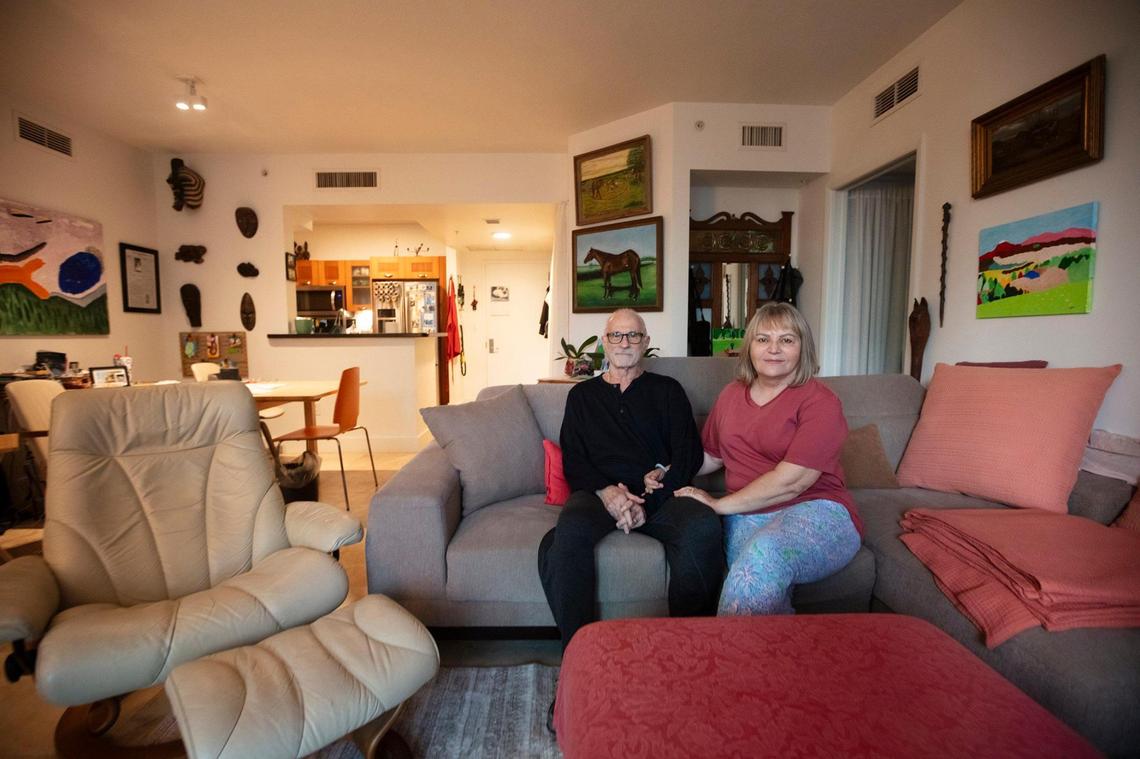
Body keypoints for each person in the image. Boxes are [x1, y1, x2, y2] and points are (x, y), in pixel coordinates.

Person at [658, 302, 862, 616]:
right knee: (760, 583)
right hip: (748, 514)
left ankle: (727, 660)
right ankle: (778, 659)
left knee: (763, 557)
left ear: (802, 348)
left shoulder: (820, 402)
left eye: (787, 340)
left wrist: (718, 504)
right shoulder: (731, 394)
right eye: (763, 339)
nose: (774, 349)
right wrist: (666, 473)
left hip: (817, 509)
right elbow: (711, 456)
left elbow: (792, 483)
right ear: (750, 347)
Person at [538, 308, 725, 647]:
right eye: (616, 335)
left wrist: (654, 491)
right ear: (604, 342)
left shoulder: (668, 391)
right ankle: (579, 653)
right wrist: (608, 492)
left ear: (646, 343)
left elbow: (688, 454)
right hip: (598, 496)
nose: (624, 343)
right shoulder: (581, 397)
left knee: (703, 525)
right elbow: (575, 461)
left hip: (661, 497)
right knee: (567, 534)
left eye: (633, 335)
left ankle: (687, 646)